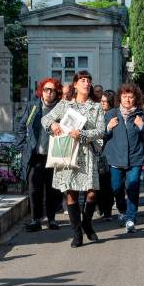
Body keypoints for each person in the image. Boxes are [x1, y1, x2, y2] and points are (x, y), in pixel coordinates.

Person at [42, 71, 106, 247]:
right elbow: (45, 119)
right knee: (70, 192)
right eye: (83, 80)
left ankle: (86, 222)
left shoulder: (96, 107)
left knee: (91, 192)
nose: (86, 83)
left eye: (89, 81)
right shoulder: (65, 104)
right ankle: (77, 233)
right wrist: (53, 124)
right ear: (75, 84)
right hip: (67, 152)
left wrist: (83, 133)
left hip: (87, 152)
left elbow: (101, 130)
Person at [104, 83, 144, 233]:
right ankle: (122, 210)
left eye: (131, 97)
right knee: (116, 187)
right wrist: (108, 128)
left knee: (133, 187)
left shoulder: (141, 115)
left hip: (135, 158)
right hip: (115, 158)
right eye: (125, 97)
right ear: (120, 98)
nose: (128, 100)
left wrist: (142, 126)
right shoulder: (111, 114)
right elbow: (101, 136)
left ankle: (131, 218)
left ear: (135, 99)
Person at [18, 78, 64, 232]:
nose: (49, 93)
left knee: (53, 189)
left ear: (56, 92)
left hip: (54, 155)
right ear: (41, 91)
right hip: (36, 154)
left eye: (52, 90)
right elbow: (21, 125)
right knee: (34, 187)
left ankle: (51, 219)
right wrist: (22, 145)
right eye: (46, 89)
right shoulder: (34, 106)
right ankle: (35, 219)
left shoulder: (61, 108)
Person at [96, 90, 116, 220]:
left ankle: (106, 209)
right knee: (100, 183)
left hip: (107, 153)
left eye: (105, 101)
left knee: (106, 184)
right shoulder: (99, 113)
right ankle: (102, 207)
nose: (102, 103)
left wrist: (106, 129)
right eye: (101, 101)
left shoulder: (112, 114)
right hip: (98, 152)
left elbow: (105, 134)